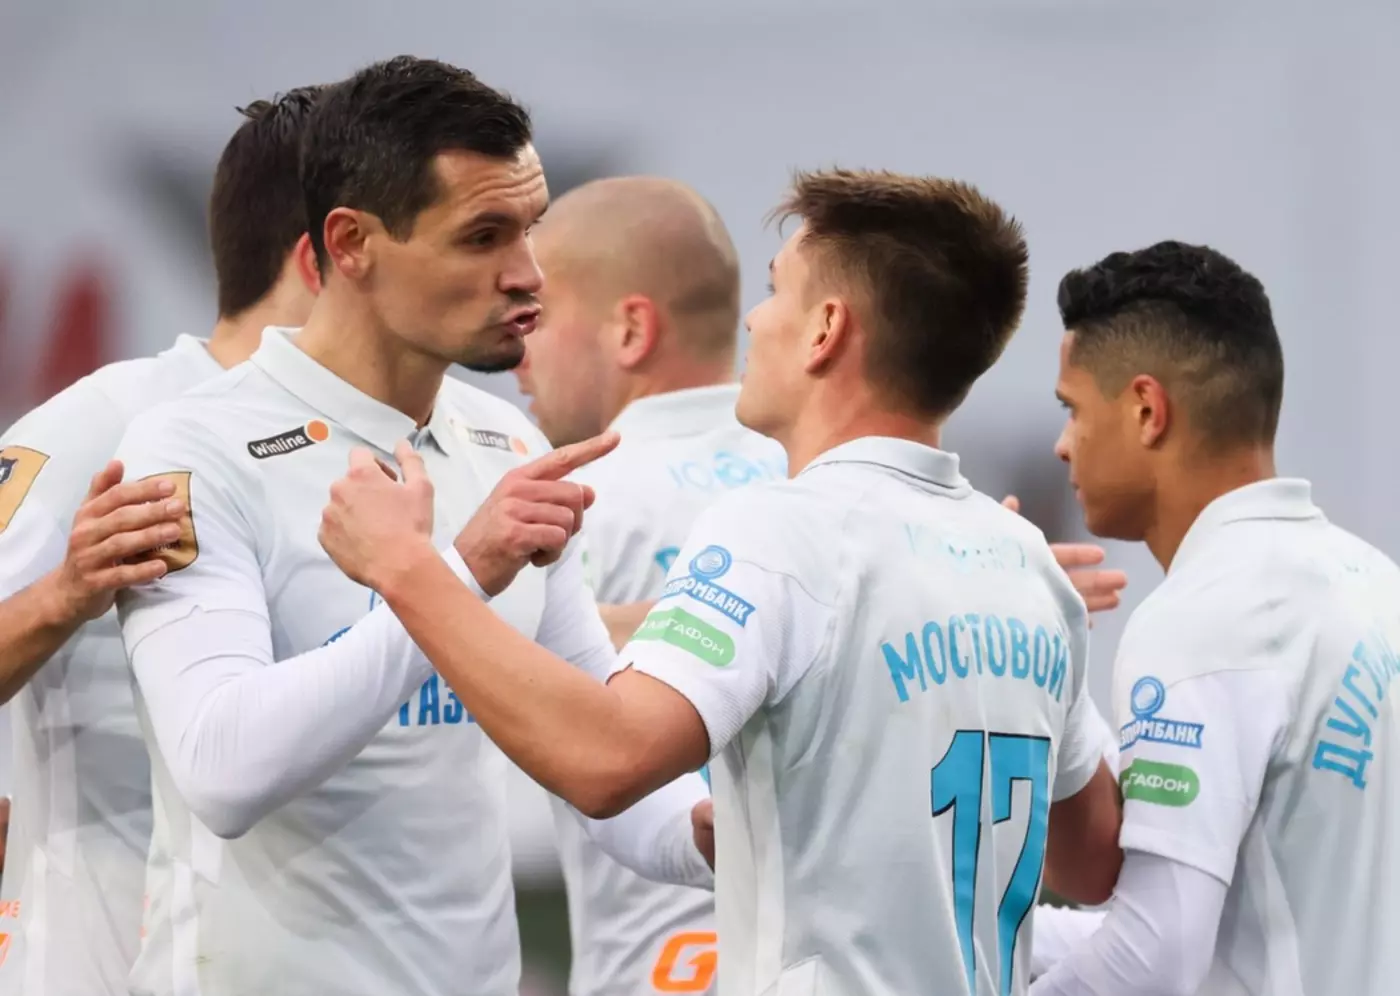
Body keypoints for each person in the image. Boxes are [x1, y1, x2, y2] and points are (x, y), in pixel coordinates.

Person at [319, 168, 1125, 996]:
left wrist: (408, 569)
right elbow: (1092, 860)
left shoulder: (780, 528)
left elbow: (606, 759)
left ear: (825, 331)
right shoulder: (1027, 561)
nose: (753, 321)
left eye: (776, 293)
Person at [112, 56, 711, 996]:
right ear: (351, 242)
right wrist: (454, 575)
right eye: (482, 237)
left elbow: (599, 763)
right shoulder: (193, 447)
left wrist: (730, 836)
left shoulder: (507, 443)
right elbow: (222, 770)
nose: (528, 276)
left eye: (530, 229)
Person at [0, 86, 323, 994]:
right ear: (328, 256)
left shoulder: (385, 453)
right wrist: (63, 596)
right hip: (98, 969)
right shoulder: (97, 425)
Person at [1030, 241, 1400, 996]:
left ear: (1146, 410)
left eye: (1072, 408)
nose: (1063, 445)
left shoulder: (1203, 619)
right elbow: (1236, 932)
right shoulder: (1377, 584)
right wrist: (960, 939)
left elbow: (1154, 956)